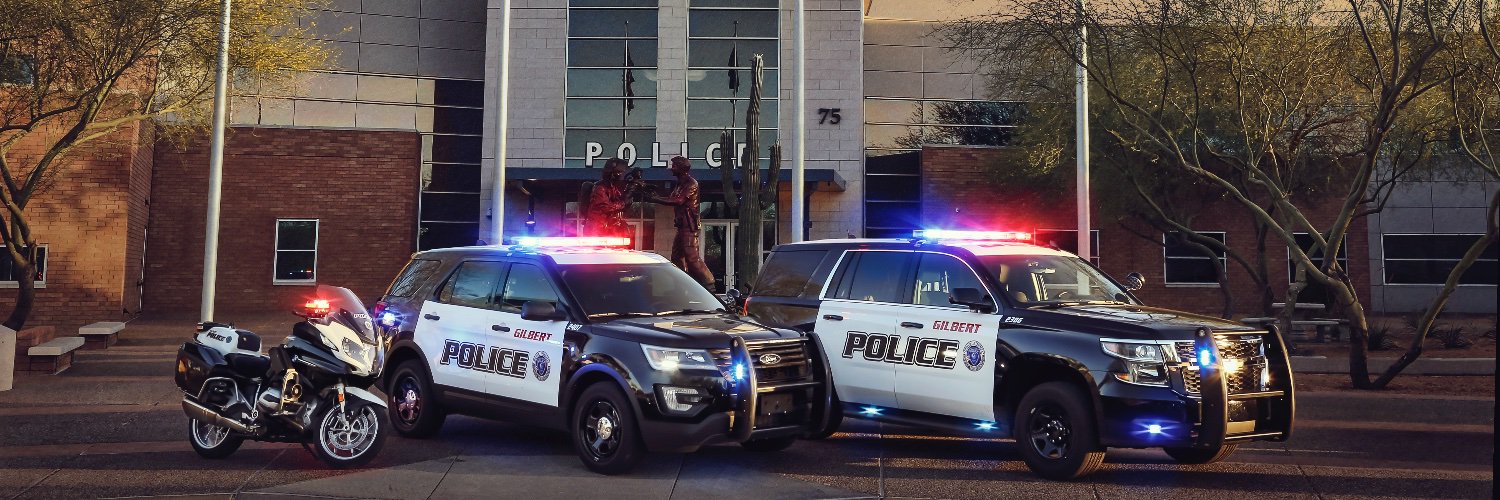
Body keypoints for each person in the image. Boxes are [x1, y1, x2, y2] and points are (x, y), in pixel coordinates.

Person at [649, 156, 716, 289]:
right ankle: (684, 284)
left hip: (689, 226)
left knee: (692, 258)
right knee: (676, 257)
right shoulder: (680, 184)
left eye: (674, 166)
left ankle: (709, 284)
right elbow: (671, 198)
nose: (671, 168)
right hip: (681, 226)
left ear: (681, 168)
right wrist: (653, 195)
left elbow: (679, 201)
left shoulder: (692, 183)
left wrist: (655, 199)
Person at [585, 158, 634, 239]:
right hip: (597, 230)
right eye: (621, 172)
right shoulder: (600, 187)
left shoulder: (614, 188)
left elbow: (621, 204)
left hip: (608, 229)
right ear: (614, 173)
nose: (622, 175)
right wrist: (623, 203)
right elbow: (605, 207)